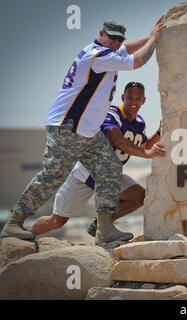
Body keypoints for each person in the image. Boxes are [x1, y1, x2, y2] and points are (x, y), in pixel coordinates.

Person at [0, 17, 167, 244]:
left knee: (110, 169)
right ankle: (13, 223)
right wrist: (155, 39)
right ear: (101, 34)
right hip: (68, 127)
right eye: (111, 37)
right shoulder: (99, 55)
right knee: (52, 176)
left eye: (118, 39)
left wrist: (150, 37)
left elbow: (125, 49)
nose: (115, 43)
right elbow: (137, 61)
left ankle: (104, 229)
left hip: (87, 133)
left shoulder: (107, 52)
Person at [30, 82, 167, 242]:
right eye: (130, 98)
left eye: (138, 99)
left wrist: (159, 132)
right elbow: (119, 142)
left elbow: (143, 146)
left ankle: (100, 225)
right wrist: (149, 154)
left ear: (143, 101)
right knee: (57, 221)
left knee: (139, 197)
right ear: (123, 97)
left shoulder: (140, 123)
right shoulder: (111, 114)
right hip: (86, 173)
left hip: (109, 175)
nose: (133, 102)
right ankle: (25, 237)